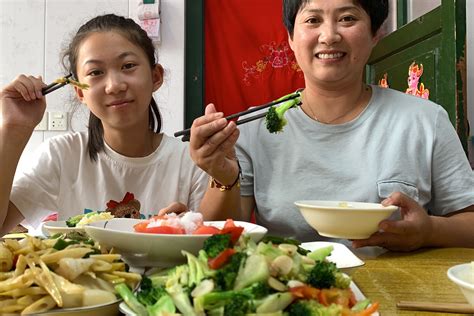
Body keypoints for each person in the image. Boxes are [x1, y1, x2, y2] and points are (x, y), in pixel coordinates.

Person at [188, 0, 474, 251]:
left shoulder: (424, 119)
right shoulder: (256, 127)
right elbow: (222, 237)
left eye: (347, 18)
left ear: (376, 33)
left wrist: (428, 232)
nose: (329, 36)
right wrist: (224, 178)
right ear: (290, 37)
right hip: (291, 294)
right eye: (313, 20)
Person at [0, 14, 207, 236]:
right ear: (80, 91)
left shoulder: (191, 161)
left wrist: (184, 230)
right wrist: (13, 129)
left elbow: (213, 243)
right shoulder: (61, 155)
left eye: (128, 66)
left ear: (156, 77)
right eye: (96, 72)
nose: (114, 86)